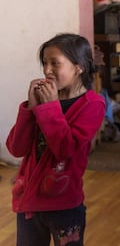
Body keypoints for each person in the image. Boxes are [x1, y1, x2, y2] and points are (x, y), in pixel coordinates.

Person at [6, 33, 106, 246]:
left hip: (64, 205)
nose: (47, 70)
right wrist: (30, 109)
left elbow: (65, 149)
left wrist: (49, 107)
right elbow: (16, 148)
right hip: (29, 204)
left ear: (78, 67)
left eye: (55, 63)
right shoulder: (43, 100)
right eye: (45, 63)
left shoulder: (92, 104)